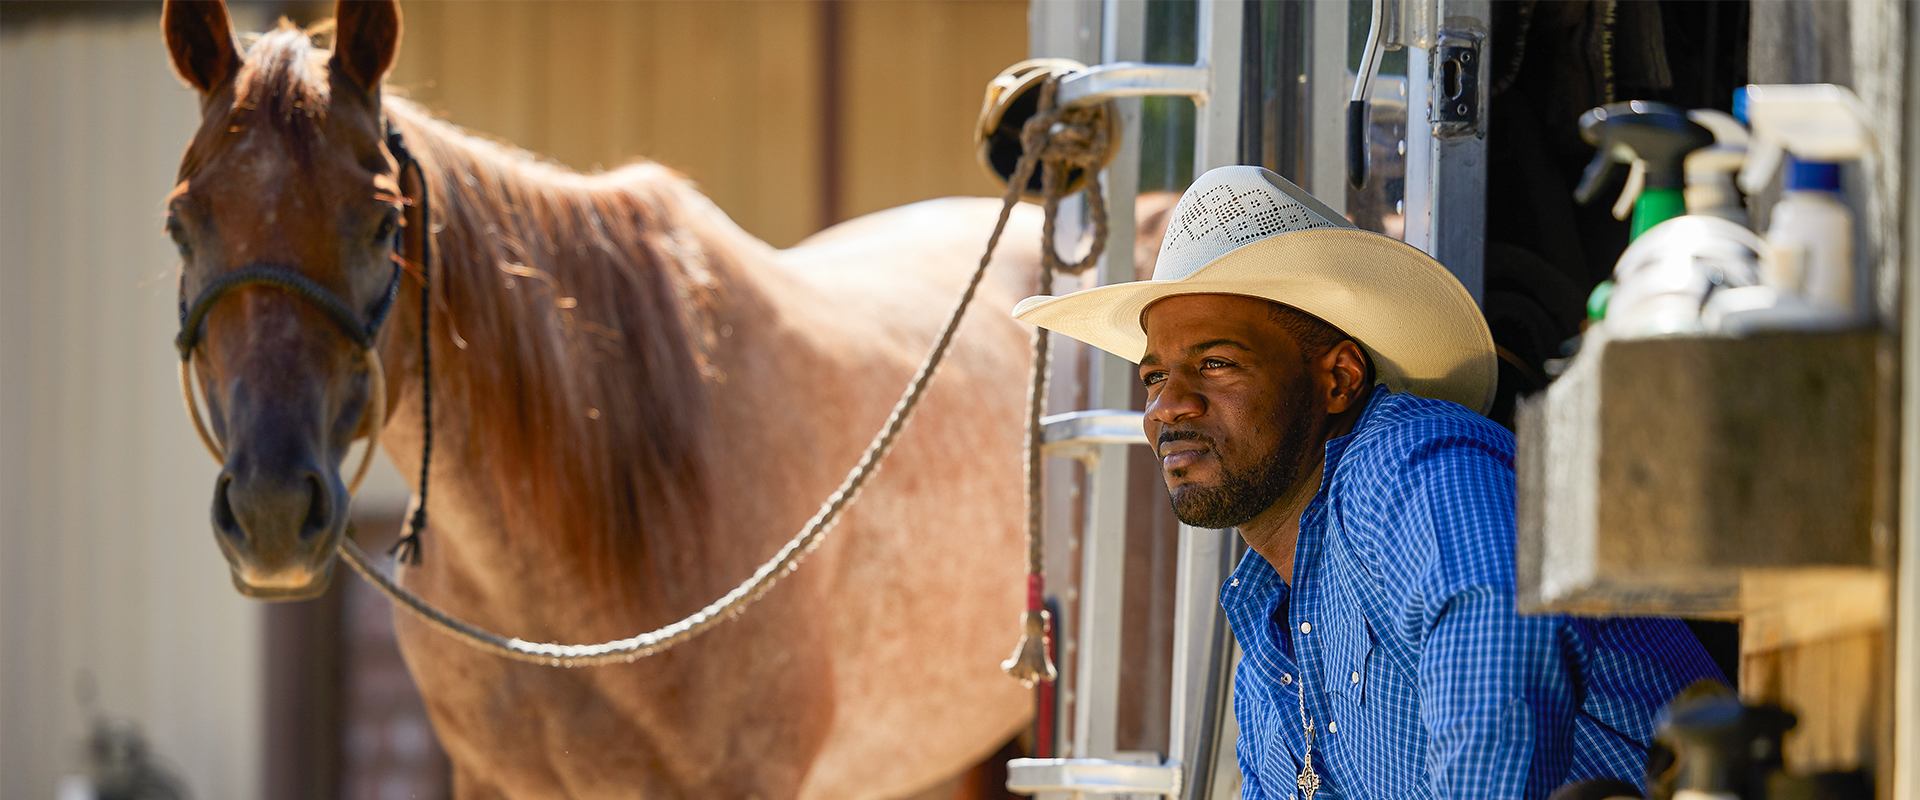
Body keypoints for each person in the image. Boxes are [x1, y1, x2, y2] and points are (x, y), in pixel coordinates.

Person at [1012, 166, 1722, 800]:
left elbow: (1492, 622)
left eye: (1217, 363)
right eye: (1155, 377)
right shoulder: (1267, 635)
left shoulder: (1408, 460)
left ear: (1339, 379)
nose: (1169, 406)